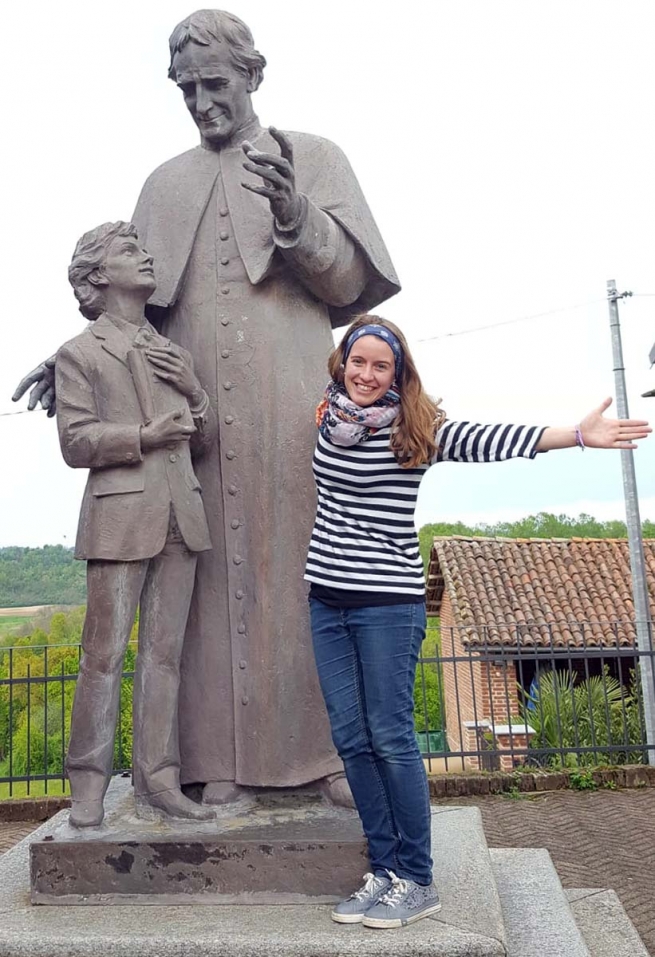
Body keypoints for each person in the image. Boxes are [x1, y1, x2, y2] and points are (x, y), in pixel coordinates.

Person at [12, 9, 400, 806]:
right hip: (188, 426)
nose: (201, 102)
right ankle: (210, 761)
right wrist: (70, 355)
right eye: (186, 89)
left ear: (253, 76)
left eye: (214, 84)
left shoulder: (314, 158)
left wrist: (295, 217)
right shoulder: (163, 184)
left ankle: (324, 757)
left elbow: (349, 285)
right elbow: (124, 305)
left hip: (287, 406)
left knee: (304, 570)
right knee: (202, 594)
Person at [308, 315, 651, 929]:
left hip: (387, 603)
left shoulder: (420, 430)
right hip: (325, 599)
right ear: (342, 364)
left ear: (398, 373)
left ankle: (416, 878)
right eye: (357, 362)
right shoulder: (325, 421)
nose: (365, 374)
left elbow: (489, 437)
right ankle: (382, 869)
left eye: (379, 366)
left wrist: (574, 433)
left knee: (390, 735)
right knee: (351, 740)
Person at [58, 220, 216, 827]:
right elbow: (75, 441)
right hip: (119, 518)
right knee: (102, 656)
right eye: (131, 250)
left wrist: (195, 393)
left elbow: (201, 437)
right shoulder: (78, 353)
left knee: (165, 656)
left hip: (182, 513)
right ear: (99, 276)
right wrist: (144, 436)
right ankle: (88, 788)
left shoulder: (172, 350)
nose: (146, 256)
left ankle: (161, 781)